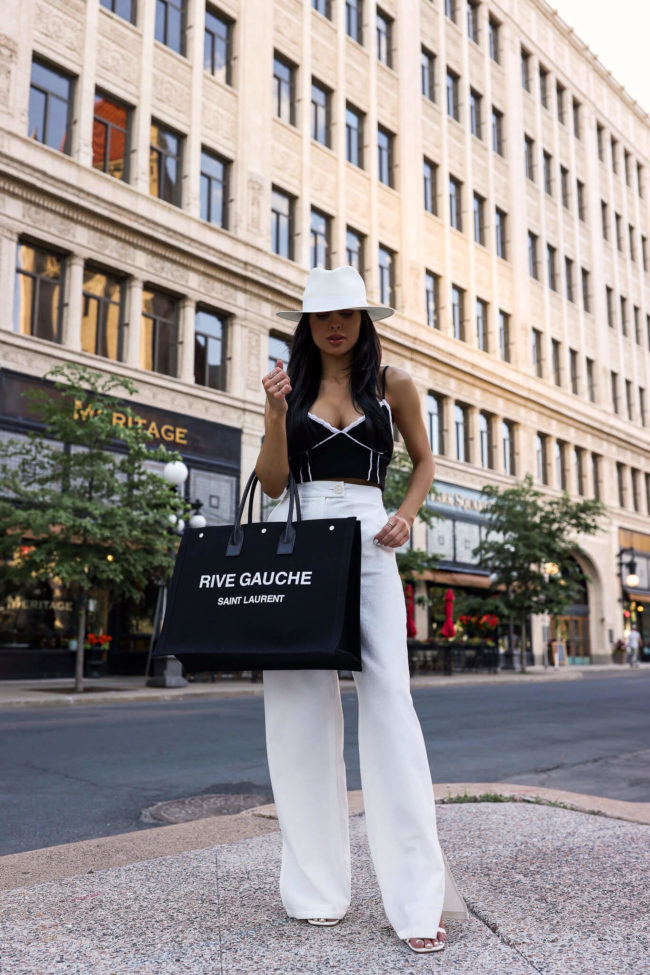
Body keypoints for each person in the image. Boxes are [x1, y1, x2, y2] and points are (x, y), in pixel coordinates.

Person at [255, 266, 467, 954]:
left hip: (372, 536)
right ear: (308, 325)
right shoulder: (293, 386)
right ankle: (316, 890)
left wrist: (406, 514)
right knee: (297, 709)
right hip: (304, 535)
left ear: (362, 318)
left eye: (346, 313)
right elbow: (276, 480)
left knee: (390, 707)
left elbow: (425, 462)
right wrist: (273, 414)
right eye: (322, 316)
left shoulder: (392, 383)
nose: (335, 325)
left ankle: (415, 900)